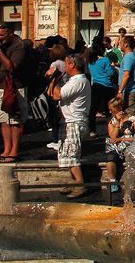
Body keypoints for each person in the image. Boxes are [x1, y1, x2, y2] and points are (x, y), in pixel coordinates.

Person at [0, 23, 27, 163]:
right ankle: (6, 149)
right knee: (2, 120)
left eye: (2, 35)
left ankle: (14, 151)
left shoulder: (18, 46)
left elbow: (11, 66)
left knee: (14, 120)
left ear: (10, 33)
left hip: (13, 87)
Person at [54, 53, 91, 199]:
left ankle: (80, 184)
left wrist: (54, 79)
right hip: (71, 120)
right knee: (66, 153)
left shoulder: (77, 81)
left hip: (74, 121)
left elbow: (58, 95)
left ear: (72, 65)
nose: (64, 66)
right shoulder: (77, 80)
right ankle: (74, 181)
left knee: (71, 154)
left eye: (65, 63)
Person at [104, 95, 135, 193]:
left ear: (119, 108)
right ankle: (113, 181)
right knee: (110, 157)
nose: (110, 112)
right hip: (117, 146)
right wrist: (117, 124)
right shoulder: (111, 121)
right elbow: (113, 137)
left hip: (129, 144)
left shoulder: (132, 119)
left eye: (111, 110)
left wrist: (121, 139)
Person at [116, 36, 135, 117]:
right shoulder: (133, 56)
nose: (120, 44)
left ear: (126, 45)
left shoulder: (128, 57)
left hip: (130, 90)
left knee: (131, 116)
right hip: (134, 88)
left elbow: (126, 75)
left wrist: (120, 91)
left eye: (121, 43)